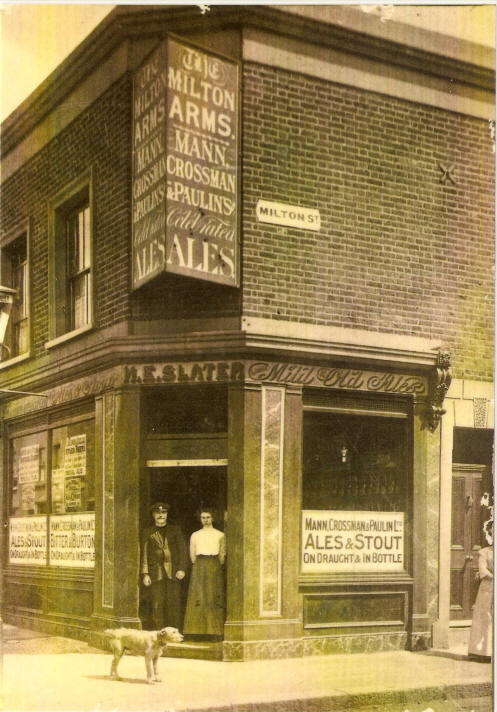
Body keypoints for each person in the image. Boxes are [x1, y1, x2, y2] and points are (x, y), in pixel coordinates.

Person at [141, 502, 188, 631]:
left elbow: (183, 551)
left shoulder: (175, 530)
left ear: (167, 514)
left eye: (163, 513)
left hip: (174, 573)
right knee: (157, 604)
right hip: (156, 573)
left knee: (174, 604)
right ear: (153, 515)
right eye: (157, 513)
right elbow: (144, 553)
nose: (161, 515)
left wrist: (182, 569)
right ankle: (160, 633)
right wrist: (145, 574)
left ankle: (174, 633)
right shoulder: (148, 532)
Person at [183, 508, 226, 638]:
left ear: (212, 518)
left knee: (212, 595)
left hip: (213, 565)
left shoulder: (220, 535)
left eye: (208, 517)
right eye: (203, 517)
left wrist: (214, 565)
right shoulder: (195, 535)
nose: (205, 520)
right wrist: (199, 565)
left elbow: (222, 555)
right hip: (199, 565)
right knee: (198, 595)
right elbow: (192, 554)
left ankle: (214, 632)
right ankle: (195, 632)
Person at [468, 519, 493, 661]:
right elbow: (483, 571)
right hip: (488, 588)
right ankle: (482, 652)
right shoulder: (484, 552)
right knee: (485, 617)